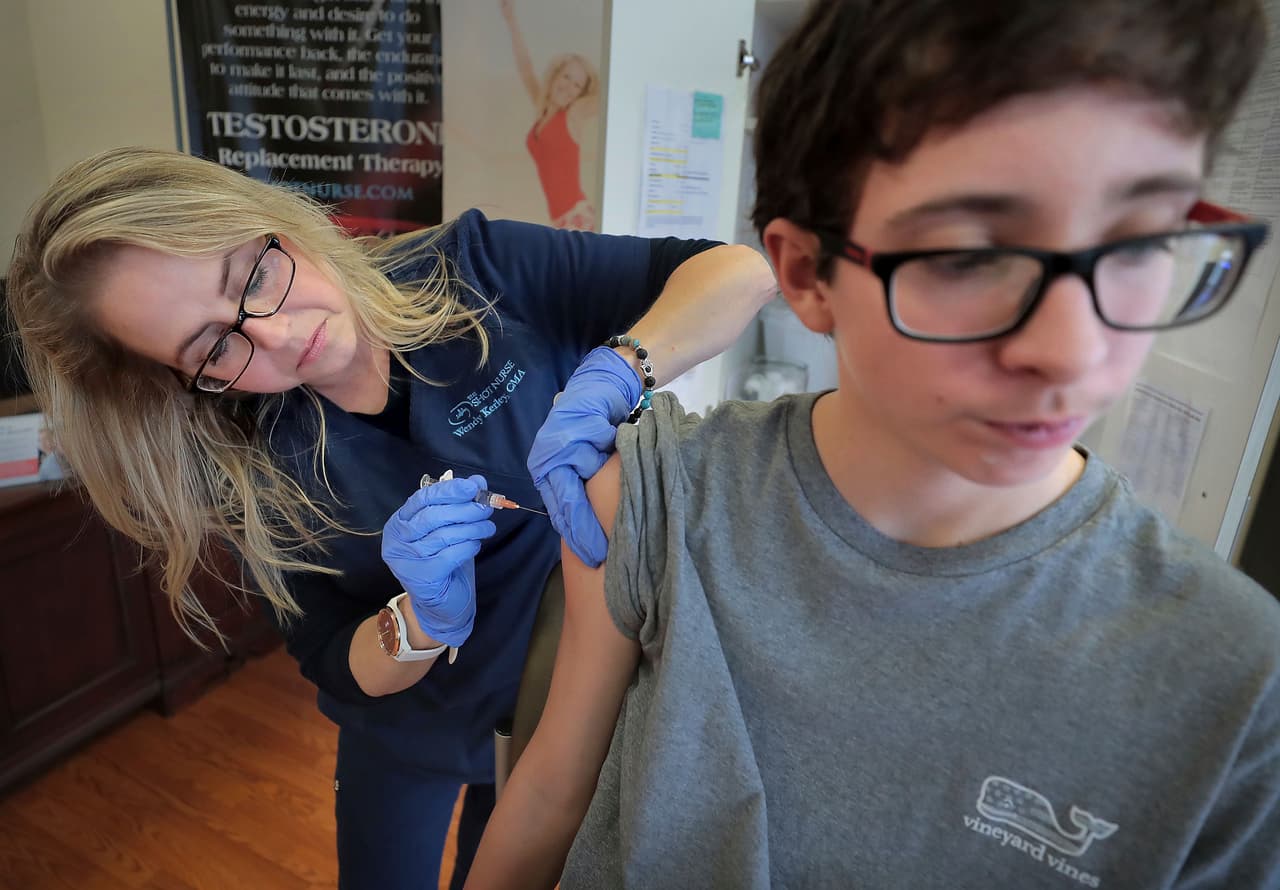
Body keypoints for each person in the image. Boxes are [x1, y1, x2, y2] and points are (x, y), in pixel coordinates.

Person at [465, 1, 1280, 887]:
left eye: (1140, 241)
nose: (1074, 353)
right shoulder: (657, 498)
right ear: (810, 276)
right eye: (972, 254)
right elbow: (550, 796)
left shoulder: (1233, 686)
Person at [4, 146, 775, 888]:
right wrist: (419, 623)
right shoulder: (242, 456)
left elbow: (737, 272)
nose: (273, 333)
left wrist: (622, 368)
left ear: (272, 219)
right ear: (179, 379)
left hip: (563, 694)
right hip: (411, 726)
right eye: (214, 348)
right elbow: (328, 654)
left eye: (256, 273)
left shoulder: (476, 270)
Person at [499, 0, 599, 231]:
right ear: (555, 75)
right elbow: (525, 68)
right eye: (567, 77)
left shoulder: (572, 115)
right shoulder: (542, 110)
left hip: (577, 218)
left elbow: (606, 95)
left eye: (577, 85)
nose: (569, 87)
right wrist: (511, 21)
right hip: (559, 221)